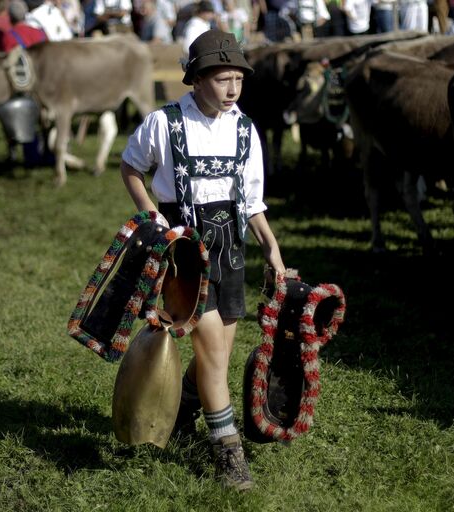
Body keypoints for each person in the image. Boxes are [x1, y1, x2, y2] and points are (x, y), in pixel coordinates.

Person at [120, 29, 286, 491]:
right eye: (222, 79)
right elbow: (131, 166)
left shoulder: (246, 129)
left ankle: (182, 416)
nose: (232, 89)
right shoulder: (164, 122)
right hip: (184, 254)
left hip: (231, 251)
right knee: (213, 354)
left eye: (238, 79)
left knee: (216, 357)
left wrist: (271, 247)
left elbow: (252, 201)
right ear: (196, 79)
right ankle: (228, 455)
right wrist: (152, 216)